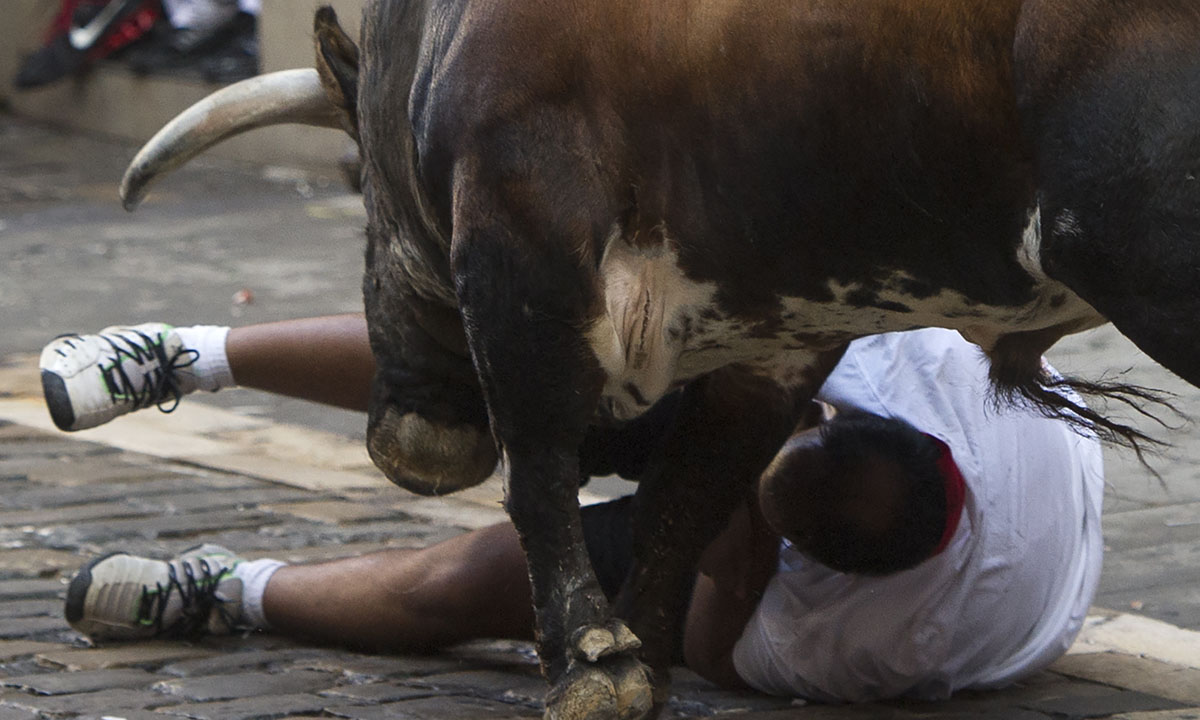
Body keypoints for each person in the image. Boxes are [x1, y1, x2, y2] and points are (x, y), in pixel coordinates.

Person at [40, 320, 1103, 703]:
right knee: (527, 355)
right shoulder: (943, 366)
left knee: (479, 585)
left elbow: (724, 659)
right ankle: (193, 353)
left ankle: (233, 594)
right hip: (835, 438)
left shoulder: (869, 639)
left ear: (807, 558)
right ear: (846, 410)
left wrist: (731, 565)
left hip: (767, 575)